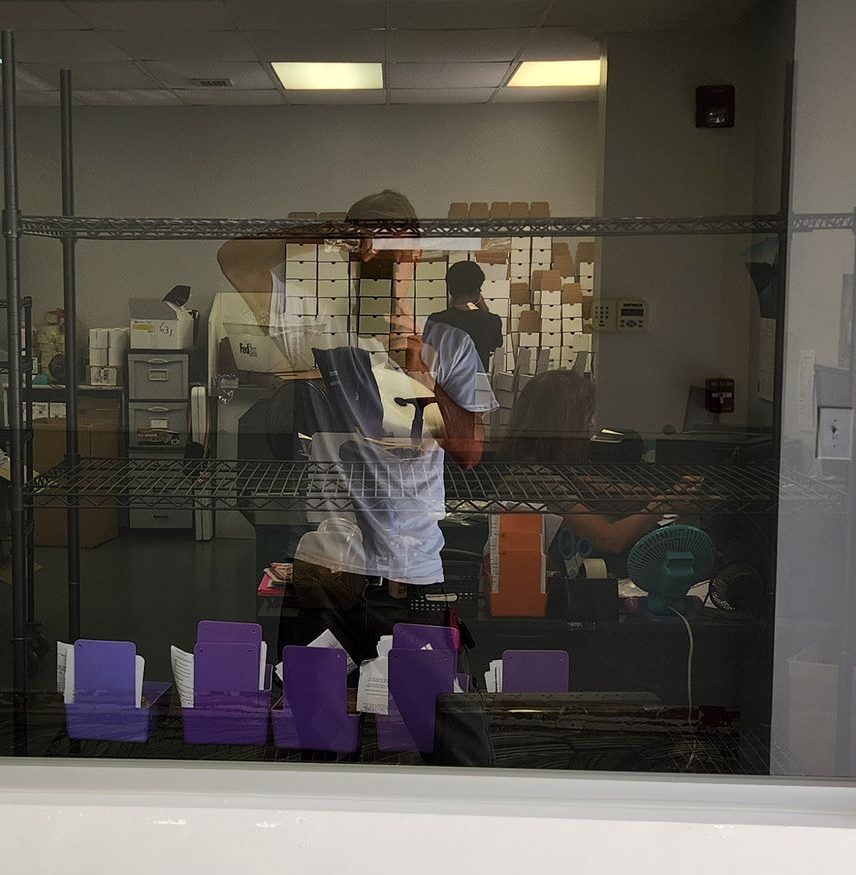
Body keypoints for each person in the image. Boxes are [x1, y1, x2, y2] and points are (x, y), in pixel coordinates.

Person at [217, 189, 498, 659]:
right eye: (370, 254)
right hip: (327, 565)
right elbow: (235, 261)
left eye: (395, 255)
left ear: (415, 258)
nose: (382, 266)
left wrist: (420, 373)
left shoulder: (449, 344)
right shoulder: (317, 324)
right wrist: (329, 234)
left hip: (409, 567)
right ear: (350, 259)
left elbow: (469, 452)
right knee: (312, 697)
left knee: (411, 701)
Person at [506, 367, 687, 558]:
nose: (592, 422)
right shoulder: (529, 477)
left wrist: (669, 494)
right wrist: (662, 505)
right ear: (560, 420)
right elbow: (610, 539)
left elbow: (604, 492)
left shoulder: (553, 466)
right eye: (585, 414)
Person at [423, 259, 504, 370]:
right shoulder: (491, 321)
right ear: (477, 290)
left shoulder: (435, 320)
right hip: (477, 380)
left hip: (444, 380)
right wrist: (485, 309)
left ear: (450, 289)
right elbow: (495, 345)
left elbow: (427, 355)